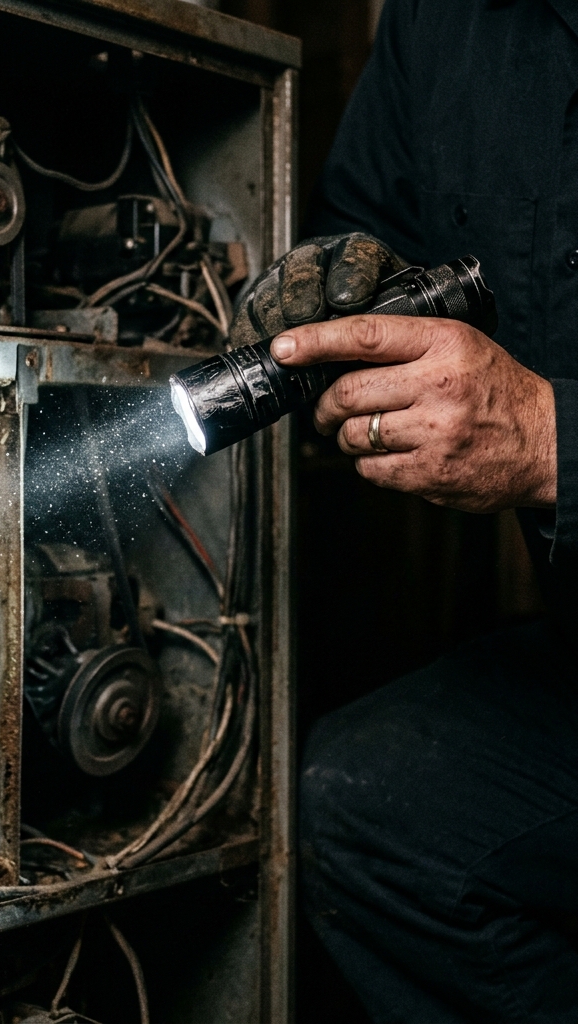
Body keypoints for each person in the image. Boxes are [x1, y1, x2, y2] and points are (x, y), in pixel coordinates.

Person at [230, 1, 578, 1020]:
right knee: (371, 803)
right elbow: (367, 234)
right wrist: (339, 293)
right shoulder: (445, 22)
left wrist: (555, 441)